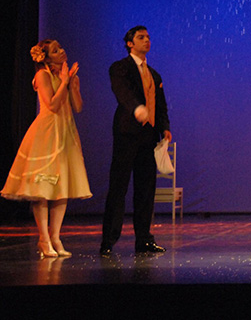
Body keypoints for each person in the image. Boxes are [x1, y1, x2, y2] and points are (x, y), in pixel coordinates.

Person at [2, 40, 92, 258]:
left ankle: (55, 237)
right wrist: (63, 82)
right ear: (46, 58)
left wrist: (72, 84)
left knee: (62, 188)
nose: (62, 51)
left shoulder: (68, 76)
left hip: (66, 133)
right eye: (55, 50)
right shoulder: (42, 75)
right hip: (47, 134)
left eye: (60, 48)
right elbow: (51, 105)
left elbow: (77, 107)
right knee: (42, 188)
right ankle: (43, 238)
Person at [100, 26, 172, 256]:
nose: (146, 40)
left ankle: (144, 239)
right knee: (119, 186)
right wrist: (137, 108)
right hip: (127, 133)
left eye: (148, 37)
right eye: (141, 37)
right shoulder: (120, 67)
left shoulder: (155, 75)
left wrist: (165, 128)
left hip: (148, 136)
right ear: (130, 43)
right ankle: (108, 240)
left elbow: (160, 105)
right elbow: (122, 92)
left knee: (145, 189)